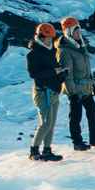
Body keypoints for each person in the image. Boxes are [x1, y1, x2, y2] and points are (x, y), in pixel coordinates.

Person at [57, 16, 95, 151]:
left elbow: (87, 68)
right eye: (75, 31)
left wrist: (92, 84)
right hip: (75, 89)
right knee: (76, 116)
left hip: (85, 87)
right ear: (68, 32)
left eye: (78, 30)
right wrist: (72, 93)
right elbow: (67, 74)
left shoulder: (80, 46)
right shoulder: (65, 51)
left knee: (93, 111)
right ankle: (77, 142)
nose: (78, 33)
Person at [26, 23, 66, 161]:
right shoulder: (33, 54)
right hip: (43, 92)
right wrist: (55, 71)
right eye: (47, 38)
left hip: (53, 91)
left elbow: (55, 70)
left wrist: (62, 75)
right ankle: (34, 151)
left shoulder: (52, 51)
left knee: (51, 123)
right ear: (40, 37)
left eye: (51, 38)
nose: (50, 41)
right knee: (45, 123)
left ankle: (47, 150)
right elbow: (34, 74)